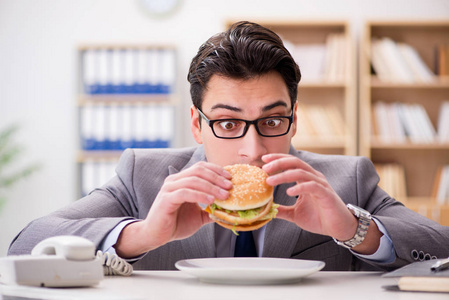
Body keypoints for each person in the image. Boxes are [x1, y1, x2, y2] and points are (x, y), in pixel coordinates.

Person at [8, 21, 449, 271]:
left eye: (272, 120)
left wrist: (355, 230)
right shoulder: (144, 175)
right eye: (227, 123)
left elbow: (442, 248)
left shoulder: (345, 180)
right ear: (197, 125)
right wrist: (141, 235)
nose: (253, 149)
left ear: (294, 120)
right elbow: (25, 244)